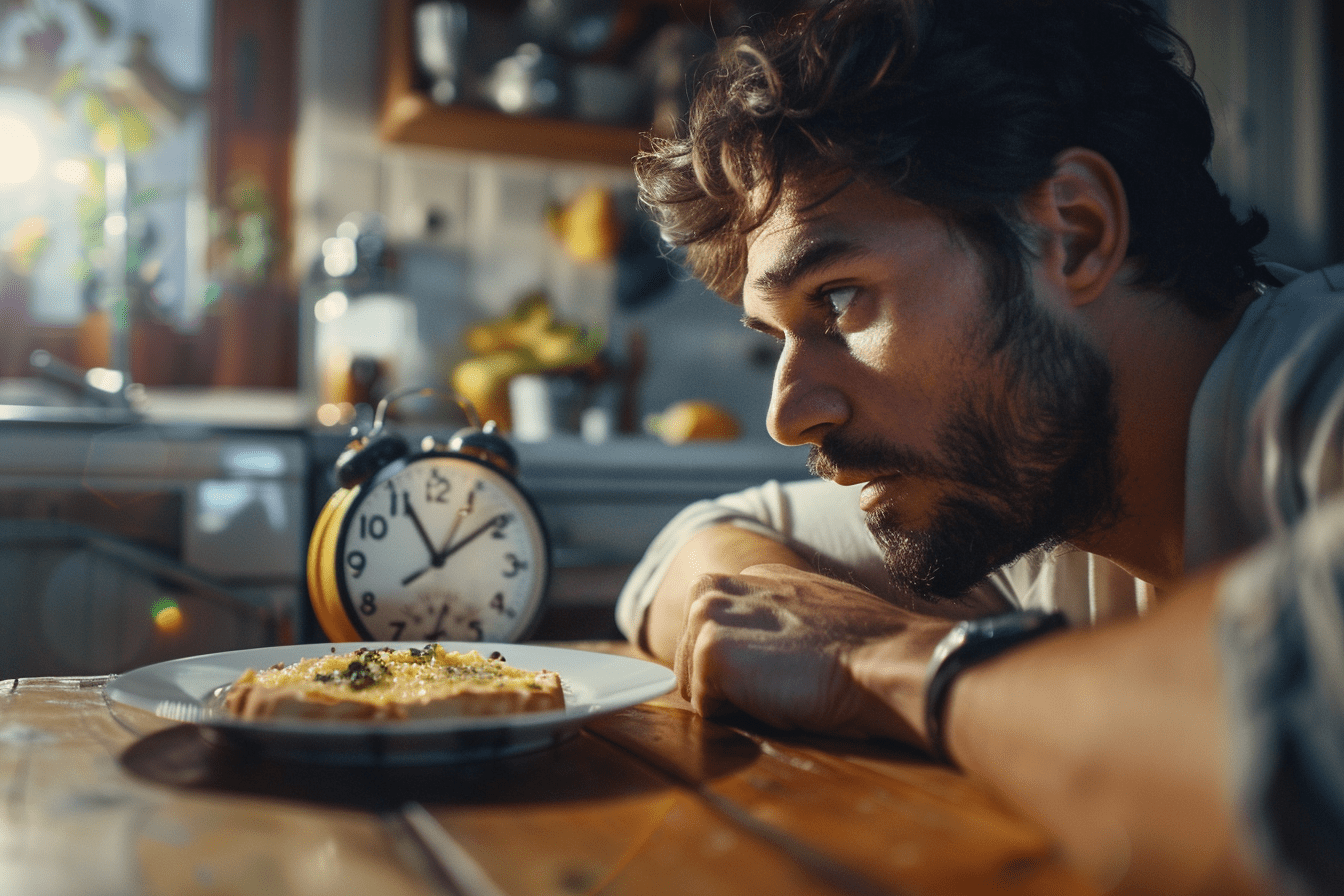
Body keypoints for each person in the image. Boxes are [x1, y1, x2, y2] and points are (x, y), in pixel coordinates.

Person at [615, 1, 1344, 894]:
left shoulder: (1322, 388)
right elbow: (693, 548)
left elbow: (1301, 727)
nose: (786, 414)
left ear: (1072, 232)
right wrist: (808, 620)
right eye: (778, 339)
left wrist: (876, 661)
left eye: (839, 303)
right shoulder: (1028, 486)